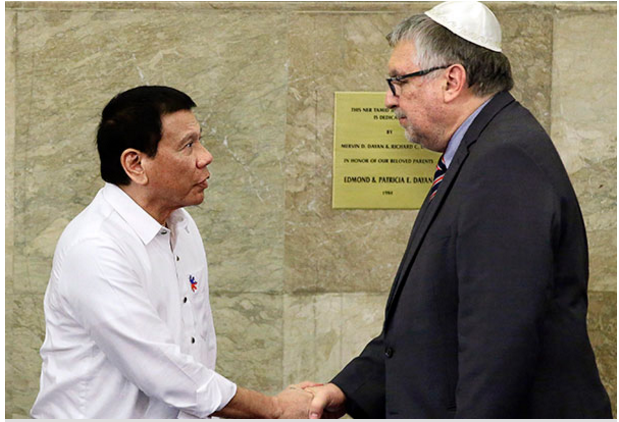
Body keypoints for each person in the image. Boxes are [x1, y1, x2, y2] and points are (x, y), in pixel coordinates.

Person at [306, 1, 612, 418]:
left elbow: (498, 347)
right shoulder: (482, 150)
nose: (389, 99)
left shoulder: (505, 161)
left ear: (452, 80)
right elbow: (430, 323)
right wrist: (345, 389)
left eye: (399, 81)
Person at [30, 86, 313, 418]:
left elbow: (196, 347)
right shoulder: (95, 247)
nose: (205, 156)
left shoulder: (183, 224)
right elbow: (164, 372)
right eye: (188, 145)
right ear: (135, 164)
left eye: (200, 140)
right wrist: (275, 409)